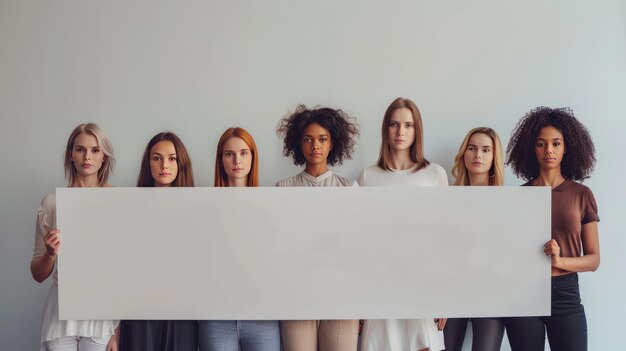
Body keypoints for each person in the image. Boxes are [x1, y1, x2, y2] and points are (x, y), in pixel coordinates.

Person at [504, 107, 600, 351]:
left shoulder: (581, 194)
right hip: (524, 292)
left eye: (556, 143)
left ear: (566, 147)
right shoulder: (518, 197)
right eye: (541, 144)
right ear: (531, 148)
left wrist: (560, 261)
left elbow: (593, 260)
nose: (549, 150)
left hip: (566, 294)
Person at [357, 97, 447, 351]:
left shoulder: (434, 174)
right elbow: (361, 242)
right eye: (394, 124)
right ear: (386, 129)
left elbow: (443, 240)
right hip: (380, 281)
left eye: (408, 125)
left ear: (417, 130)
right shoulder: (368, 176)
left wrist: (445, 296)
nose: (401, 132)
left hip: (423, 280)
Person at [275, 104, 360, 351]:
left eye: (322, 139)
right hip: (297, 296)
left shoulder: (349, 189)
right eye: (308, 139)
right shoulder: (283, 189)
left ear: (332, 143)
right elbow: (281, 246)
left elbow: (356, 246)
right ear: (299, 144)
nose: (315, 146)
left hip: (341, 295)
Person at [30, 123, 120, 351]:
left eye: (95, 150)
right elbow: (37, 274)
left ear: (104, 157)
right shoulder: (51, 202)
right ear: (71, 154)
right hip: (61, 312)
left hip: (100, 313)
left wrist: (117, 331)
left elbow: (124, 271)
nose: (87, 156)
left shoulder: (117, 201)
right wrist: (50, 254)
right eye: (80, 149)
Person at [198, 127, 280, 351]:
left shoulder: (271, 206)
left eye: (244, 153)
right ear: (220, 160)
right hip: (217, 317)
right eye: (229, 154)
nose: (237, 160)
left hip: (262, 316)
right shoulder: (204, 208)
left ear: (253, 157)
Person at [119, 132, 198, 351]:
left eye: (172, 158)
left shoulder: (197, 208)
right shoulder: (130, 207)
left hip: (182, 312)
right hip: (139, 311)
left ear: (181, 163)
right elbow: (120, 268)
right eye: (157, 158)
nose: (164, 165)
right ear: (148, 163)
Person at [443, 127, 505, 351]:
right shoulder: (446, 199)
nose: (478, 154)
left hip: (491, 293)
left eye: (486, 150)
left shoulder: (507, 203)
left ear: (493, 157)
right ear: (464, 154)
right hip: (451, 292)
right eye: (473, 148)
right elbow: (438, 253)